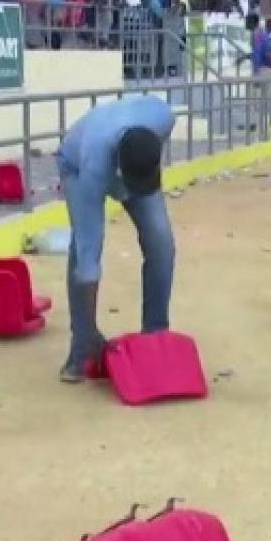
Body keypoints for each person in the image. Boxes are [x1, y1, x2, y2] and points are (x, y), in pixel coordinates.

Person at [55, 96, 176, 382]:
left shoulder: (163, 118)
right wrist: (90, 333)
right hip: (77, 166)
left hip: (134, 164)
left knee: (162, 245)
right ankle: (82, 344)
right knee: (85, 249)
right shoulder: (93, 166)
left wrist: (142, 176)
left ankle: (156, 334)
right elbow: (89, 260)